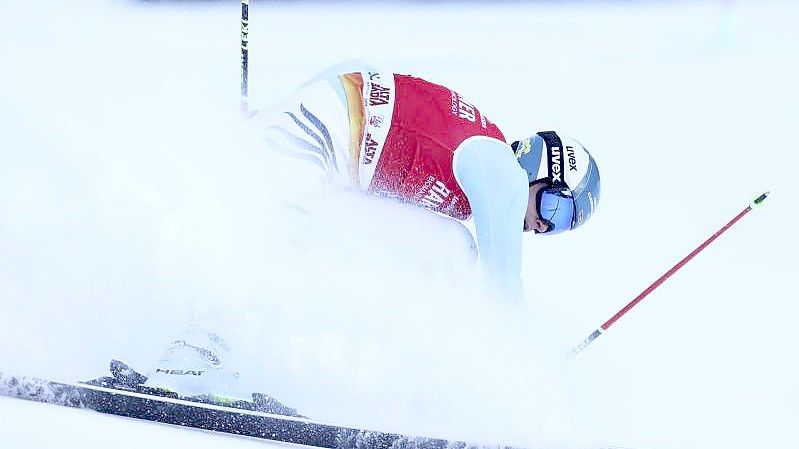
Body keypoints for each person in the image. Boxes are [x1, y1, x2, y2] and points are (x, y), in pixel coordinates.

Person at [249, 61, 601, 303]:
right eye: (555, 205)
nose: (542, 225)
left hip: (316, 156)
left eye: (558, 226)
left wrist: (269, 116)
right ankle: (218, 346)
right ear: (537, 168)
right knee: (279, 257)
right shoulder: (502, 173)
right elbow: (504, 287)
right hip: (307, 144)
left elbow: (362, 67)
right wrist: (524, 375)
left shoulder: (475, 163)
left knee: (451, 249)